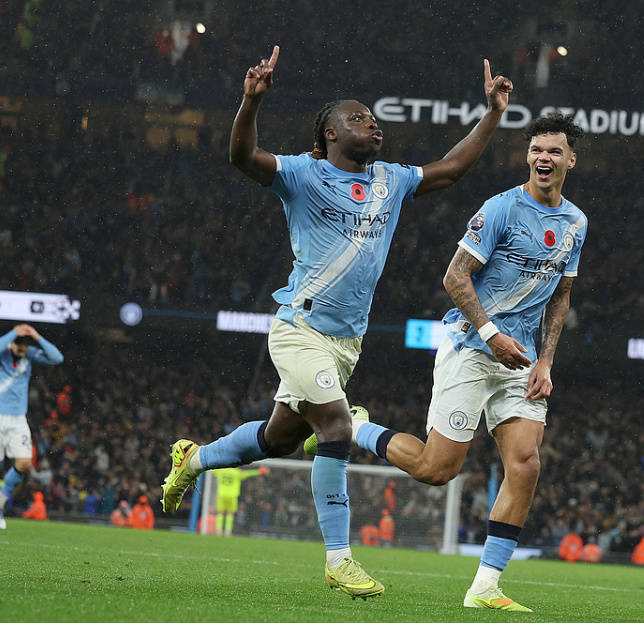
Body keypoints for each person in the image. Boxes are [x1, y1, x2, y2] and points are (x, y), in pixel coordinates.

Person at [159, 44, 513, 600]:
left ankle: (194, 458)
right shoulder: (302, 174)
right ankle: (339, 560)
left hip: (347, 342)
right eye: (358, 117)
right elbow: (242, 157)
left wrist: (491, 115)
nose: (372, 123)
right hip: (299, 329)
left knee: (277, 439)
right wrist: (251, 101)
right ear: (329, 133)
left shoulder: (391, 180)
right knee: (337, 427)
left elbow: (451, 170)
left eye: (373, 118)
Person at [310, 114, 586, 611]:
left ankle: (485, 587)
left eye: (553, 151)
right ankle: (355, 428)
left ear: (571, 160)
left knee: (526, 464)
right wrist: (492, 334)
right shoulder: (501, 209)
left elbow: (561, 296)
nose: (543, 158)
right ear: (527, 156)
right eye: (536, 149)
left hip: (521, 360)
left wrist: (545, 362)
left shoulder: (575, 223)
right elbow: (455, 277)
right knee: (437, 470)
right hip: (472, 347)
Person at [0, 324, 63, 529]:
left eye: (26, 348)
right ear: (12, 343)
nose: (23, 351)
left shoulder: (29, 354)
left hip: (17, 418)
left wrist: (36, 336)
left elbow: (57, 358)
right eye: (19, 347)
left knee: (24, 463)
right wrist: (14, 333)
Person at [213, 466, 267, 536]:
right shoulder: (237, 472)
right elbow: (248, 473)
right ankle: (227, 532)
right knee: (230, 513)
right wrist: (259, 471)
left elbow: (210, 468)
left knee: (220, 513)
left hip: (222, 494)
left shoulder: (220, 471)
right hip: (232, 496)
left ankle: (218, 531)